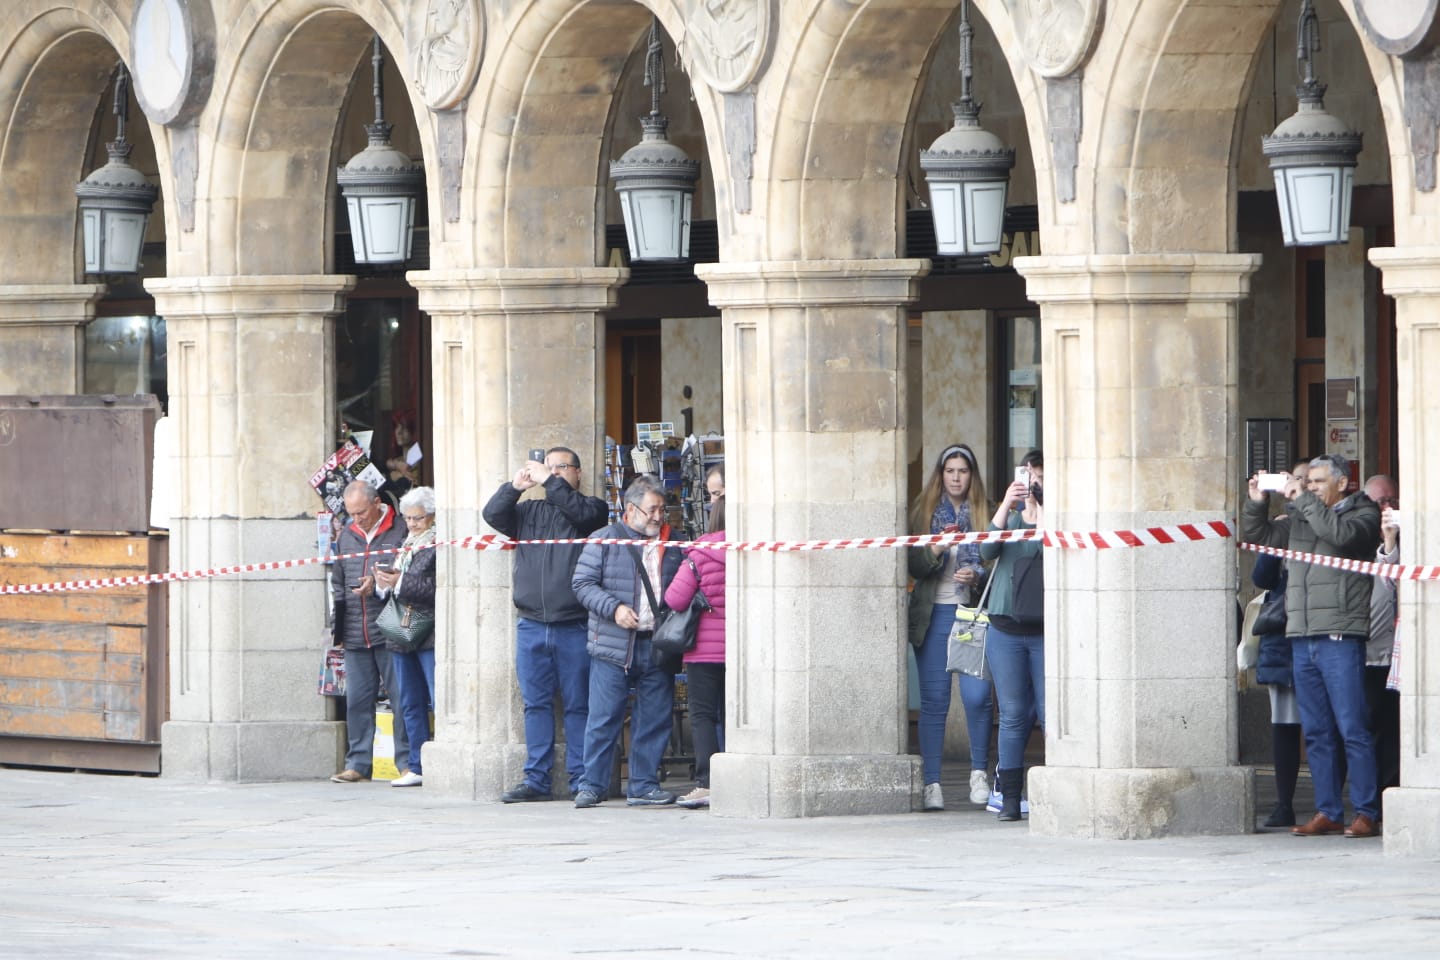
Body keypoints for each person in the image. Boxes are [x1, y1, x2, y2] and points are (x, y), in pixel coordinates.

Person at [1242, 453, 1382, 838]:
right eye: (1308, 482)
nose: (1311, 488)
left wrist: (1299, 499)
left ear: (1343, 483)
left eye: (1318, 482)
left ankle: (1366, 811)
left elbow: (1340, 536)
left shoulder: (1363, 515)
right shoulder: (1302, 517)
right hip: (1301, 635)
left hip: (1340, 634)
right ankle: (1328, 810)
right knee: (1317, 731)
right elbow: (1261, 538)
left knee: (1352, 727)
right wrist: (1257, 502)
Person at [483, 447, 609, 802]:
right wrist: (514, 486)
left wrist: (548, 481)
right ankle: (536, 779)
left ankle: (582, 779)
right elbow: (492, 515)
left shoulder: (592, 509)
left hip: (574, 624)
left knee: (578, 705)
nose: (551, 473)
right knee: (534, 704)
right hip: (531, 625)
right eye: (547, 467)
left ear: (577, 473)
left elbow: (583, 514)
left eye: (560, 468)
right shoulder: (528, 511)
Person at [570, 475, 683, 808]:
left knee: (655, 716)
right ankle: (592, 784)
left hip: (657, 643)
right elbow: (582, 584)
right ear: (631, 509)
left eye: (663, 509)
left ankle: (644, 785)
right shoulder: (604, 539)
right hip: (612, 644)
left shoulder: (674, 541)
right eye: (652, 510)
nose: (658, 516)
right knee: (603, 717)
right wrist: (615, 608)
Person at [907, 444, 993, 811]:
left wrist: (976, 574)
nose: (957, 477)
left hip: (970, 613)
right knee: (934, 702)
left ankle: (979, 773)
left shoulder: (985, 511)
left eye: (963, 471)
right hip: (934, 615)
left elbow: (996, 560)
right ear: (940, 475)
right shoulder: (924, 512)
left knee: (977, 697)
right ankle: (933, 784)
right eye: (950, 471)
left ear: (972, 476)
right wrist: (936, 551)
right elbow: (914, 565)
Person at [980, 449, 1046, 822]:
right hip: (1005, 627)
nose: (1033, 483)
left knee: (1051, 714)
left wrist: (1044, 511)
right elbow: (987, 550)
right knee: (1013, 714)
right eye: (1029, 475)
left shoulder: (1056, 520)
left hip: (1043, 630)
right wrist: (1007, 505)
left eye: (1039, 476)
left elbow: (1057, 549)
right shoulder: (1011, 520)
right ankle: (1008, 797)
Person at [330, 481, 410, 782]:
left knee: (402, 698)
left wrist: (376, 586)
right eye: (351, 514)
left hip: (390, 626)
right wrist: (338, 619)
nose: (357, 519)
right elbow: (337, 581)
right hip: (354, 628)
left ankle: (406, 761)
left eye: (361, 512)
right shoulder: (347, 536)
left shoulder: (399, 530)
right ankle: (358, 763)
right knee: (358, 700)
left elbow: (407, 575)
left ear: (377, 503)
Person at [665, 489, 727, 810]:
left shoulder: (700, 553)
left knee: (703, 714)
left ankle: (706, 781)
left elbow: (674, 599)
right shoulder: (753, 550)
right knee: (733, 714)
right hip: (742, 650)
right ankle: (736, 776)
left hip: (704, 650)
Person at [374, 486, 438, 788]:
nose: (412, 524)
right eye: (408, 518)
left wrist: (400, 583)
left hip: (427, 630)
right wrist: (382, 583)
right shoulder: (406, 543)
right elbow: (397, 584)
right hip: (401, 630)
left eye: (418, 518)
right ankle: (416, 764)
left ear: (433, 516)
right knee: (409, 702)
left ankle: (438, 761)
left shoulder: (438, 544)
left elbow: (435, 589)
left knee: (435, 698)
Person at [1363, 474, 1401, 811]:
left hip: (1399, 653)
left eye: (1391, 501)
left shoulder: (1412, 535)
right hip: (1365, 651)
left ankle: (1390, 795)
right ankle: (1368, 804)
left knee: (1393, 729)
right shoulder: (1354, 534)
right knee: (1367, 729)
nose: (1386, 508)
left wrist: (1390, 543)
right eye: (1379, 502)